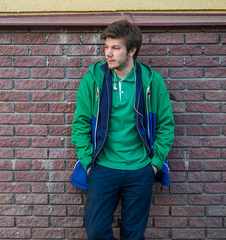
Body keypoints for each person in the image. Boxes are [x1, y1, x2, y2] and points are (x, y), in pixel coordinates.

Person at [71, 20, 175, 240]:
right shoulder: (93, 80)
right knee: (96, 231)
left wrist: (154, 165)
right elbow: (80, 123)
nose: (108, 53)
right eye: (106, 47)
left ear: (132, 51)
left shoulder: (151, 82)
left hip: (140, 169)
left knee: (133, 234)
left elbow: (166, 125)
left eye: (116, 48)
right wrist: (89, 163)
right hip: (102, 167)